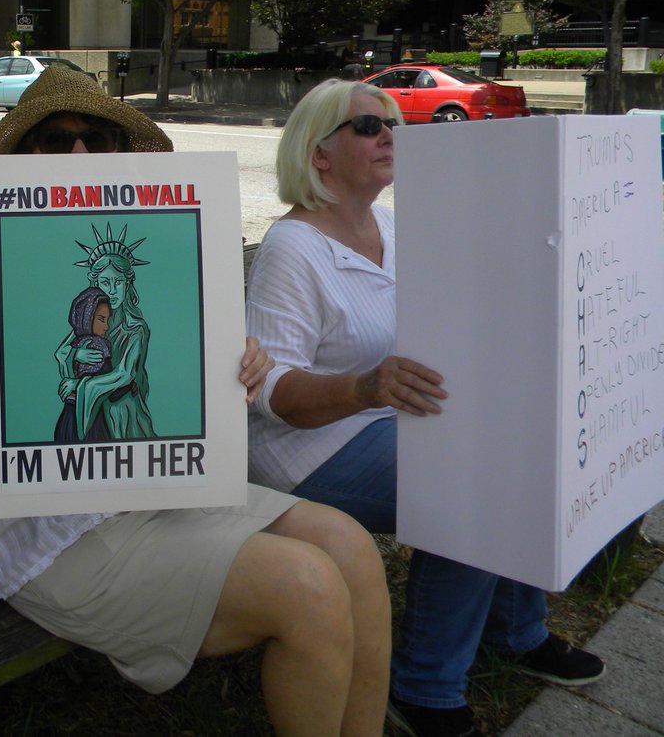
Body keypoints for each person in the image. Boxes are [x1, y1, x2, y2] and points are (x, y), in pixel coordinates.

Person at [0, 66, 393, 736]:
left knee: (351, 548)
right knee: (309, 587)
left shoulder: (179, 265)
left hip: (170, 491)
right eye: (52, 139)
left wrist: (233, 374)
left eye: (95, 137)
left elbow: (183, 392)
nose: (77, 155)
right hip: (54, 535)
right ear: (16, 159)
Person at [244, 78, 605, 737]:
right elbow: (272, 392)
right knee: (473, 482)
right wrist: (365, 387)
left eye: (390, 122)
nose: (388, 133)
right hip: (310, 446)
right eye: (365, 126)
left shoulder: (387, 222)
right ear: (317, 153)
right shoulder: (291, 249)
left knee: (522, 446)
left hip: (386, 416)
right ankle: (426, 686)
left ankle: (515, 630)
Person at [55, 223, 156, 441]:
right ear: (95, 284)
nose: (111, 289)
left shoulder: (135, 327)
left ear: (128, 285)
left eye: (118, 282)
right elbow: (62, 352)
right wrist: (77, 354)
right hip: (92, 411)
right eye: (105, 282)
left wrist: (79, 385)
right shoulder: (90, 321)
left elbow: (125, 374)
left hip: (121, 413)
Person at [53, 286, 113, 443]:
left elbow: (61, 354)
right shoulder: (99, 347)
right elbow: (111, 386)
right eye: (101, 319)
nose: (106, 326)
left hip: (66, 420)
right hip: (89, 422)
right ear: (87, 317)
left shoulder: (72, 346)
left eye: (107, 320)